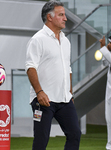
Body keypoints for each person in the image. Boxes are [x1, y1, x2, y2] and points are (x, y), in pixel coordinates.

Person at [25, 1, 81, 150]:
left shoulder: (66, 41)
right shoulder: (38, 39)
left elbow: (67, 68)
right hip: (43, 100)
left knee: (75, 134)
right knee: (41, 139)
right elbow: (30, 68)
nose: (65, 18)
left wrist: (69, 92)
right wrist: (39, 92)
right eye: (61, 15)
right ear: (49, 17)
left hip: (65, 99)